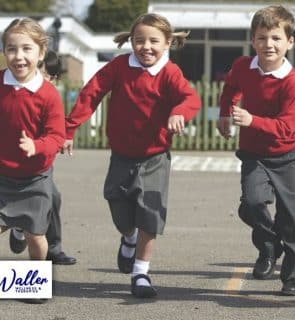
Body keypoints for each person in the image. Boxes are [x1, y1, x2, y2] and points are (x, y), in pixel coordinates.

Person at [61, 13, 201, 298]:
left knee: (150, 214)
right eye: (139, 41)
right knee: (119, 211)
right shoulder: (120, 66)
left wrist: (179, 112)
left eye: (153, 41)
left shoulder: (170, 72)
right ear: (131, 41)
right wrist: (69, 128)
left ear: (168, 43)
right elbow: (91, 93)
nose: (146, 47)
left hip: (155, 156)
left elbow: (190, 99)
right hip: (122, 156)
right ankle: (128, 239)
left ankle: (141, 273)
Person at [217, 5, 295, 296]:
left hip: (287, 155)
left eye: (275, 38)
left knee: (290, 220)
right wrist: (224, 113)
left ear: (289, 42)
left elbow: (286, 126)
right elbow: (231, 87)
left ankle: (293, 276)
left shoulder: (293, 81)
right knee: (253, 204)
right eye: (261, 38)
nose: (268, 44)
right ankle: (268, 246)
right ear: (252, 40)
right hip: (254, 154)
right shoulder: (244, 66)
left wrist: (251, 120)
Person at [0, 18, 66, 303]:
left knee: (35, 235)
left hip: (35, 178)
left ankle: (35, 281)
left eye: (27, 48)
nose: (19, 56)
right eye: (12, 49)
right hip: (2, 176)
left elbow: (56, 137)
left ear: (41, 53)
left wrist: (36, 146)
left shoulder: (48, 94)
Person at [8, 50, 76, 265]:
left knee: (53, 199)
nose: (34, 75)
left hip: (39, 167)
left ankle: (53, 248)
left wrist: (62, 138)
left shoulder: (49, 95)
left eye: (42, 73)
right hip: (10, 165)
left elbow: (56, 131)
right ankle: (19, 228)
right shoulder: (16, 90)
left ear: (53, 78)